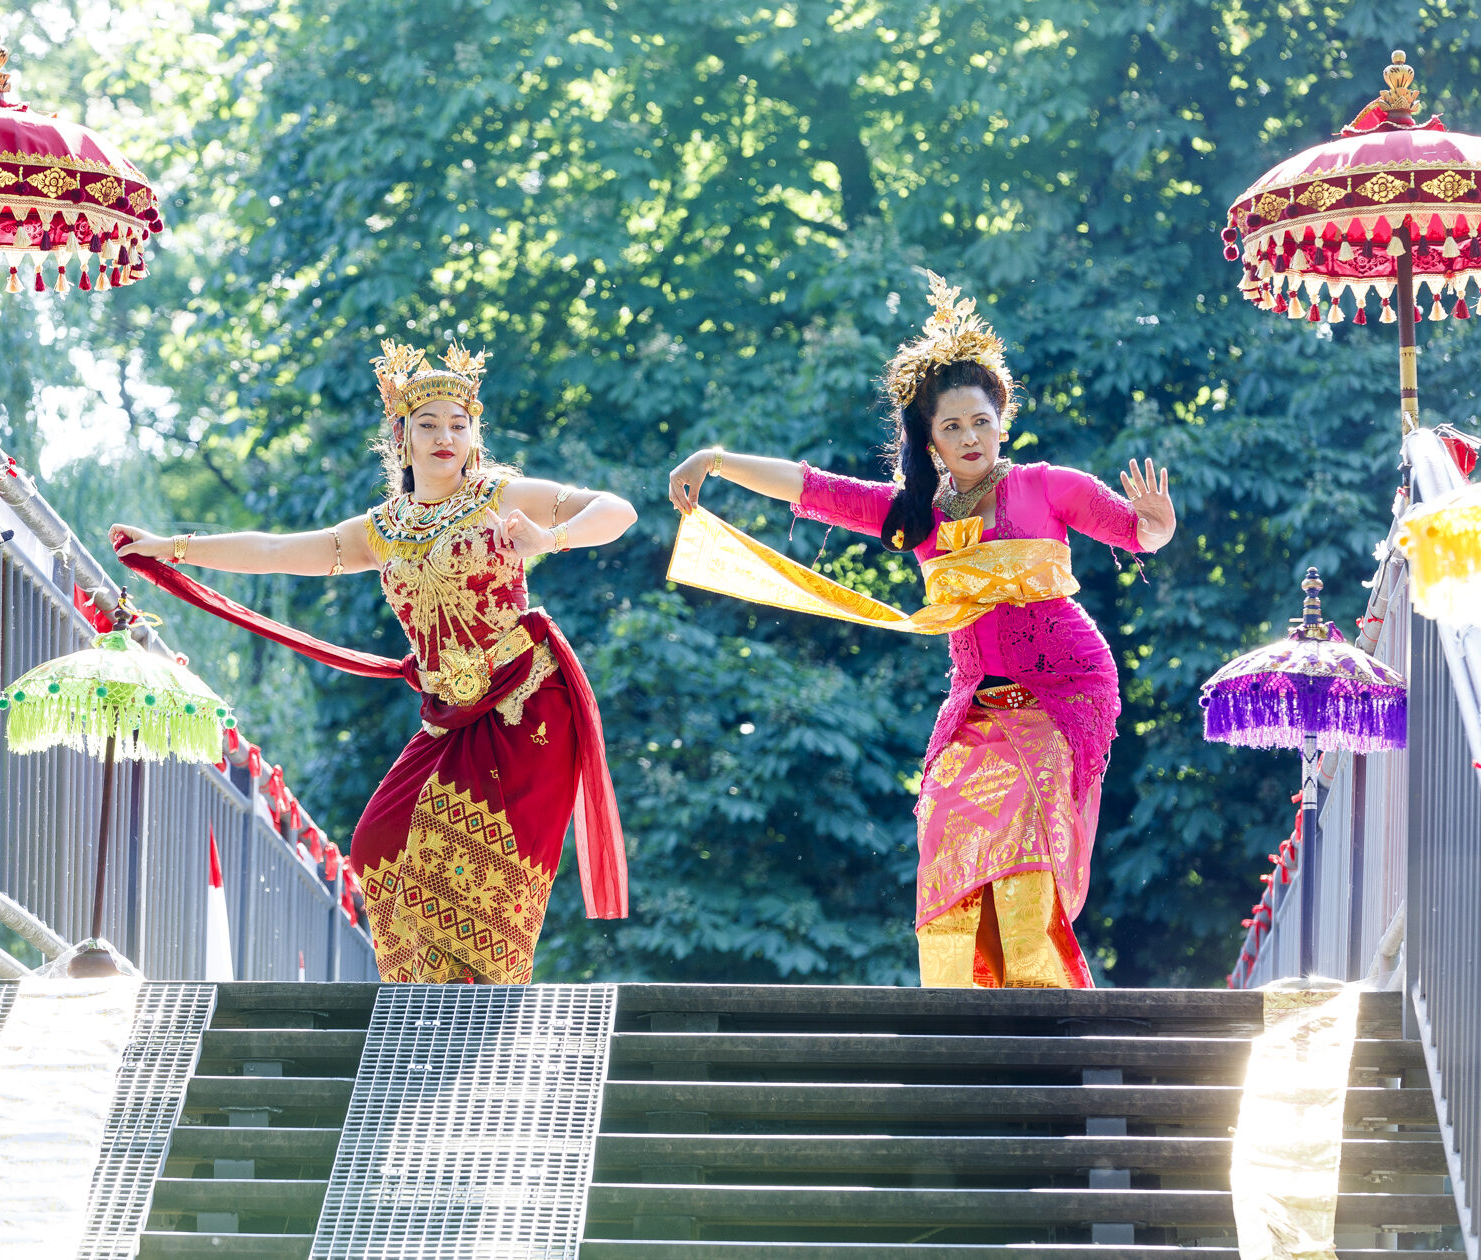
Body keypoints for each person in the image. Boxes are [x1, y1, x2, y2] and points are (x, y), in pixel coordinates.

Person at [665, 274, 1175, 988]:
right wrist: (717, 459)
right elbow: (813, 488)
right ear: (930, 439)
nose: (970, 437)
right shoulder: (917, 512)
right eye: (951, 427)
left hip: (1065, 688)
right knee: (944, 834)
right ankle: (966, 1024)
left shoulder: (1049, 484)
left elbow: (1134, 531)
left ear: (1004, 419)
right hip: (977, 702)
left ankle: (1050, 1022)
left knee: (1024, 852)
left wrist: (1158, 525)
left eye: (981, 422)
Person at [113, 341, 636, 983]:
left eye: (458, 424)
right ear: (402, 436)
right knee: (380, 844)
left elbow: (617, 510)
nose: (445, 436)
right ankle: (423, 1001)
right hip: (449, 714)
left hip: (524, 701)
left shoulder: (501, 494)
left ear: (474, 435)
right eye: (428, 424)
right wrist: (175, 547)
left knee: (472, 860)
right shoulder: (383, 529)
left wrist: (549, 537)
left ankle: (478, 1013)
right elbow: (279, 551)